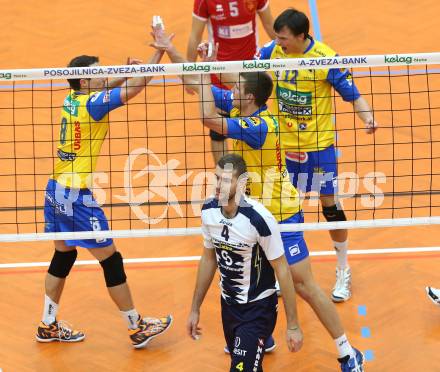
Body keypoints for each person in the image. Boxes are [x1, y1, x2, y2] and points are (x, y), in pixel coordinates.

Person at [151, 26, 365, 371]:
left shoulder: (259, 126)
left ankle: (346, 351)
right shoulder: (246, 110)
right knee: (258, 278)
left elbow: (206, 112)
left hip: (281, 214)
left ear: (248, 96)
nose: (231, 91)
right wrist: (174, 52)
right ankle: (263, 335)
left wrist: (206, 70)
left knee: (305, 286)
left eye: (235, 88)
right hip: (254, 213)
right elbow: (195, 85)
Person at [36, 40, 172, 348]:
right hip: (77, 195)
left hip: (55, 188)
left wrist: (125, 70)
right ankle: (136, 326)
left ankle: (47, 324)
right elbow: (133, 90)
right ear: (85, 81)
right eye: (99, 73)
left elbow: (109, 84)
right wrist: (157, 55)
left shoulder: (73, 98)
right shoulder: (93, 104)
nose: (105, 74)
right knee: (111, 261)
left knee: (63, 256)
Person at [255, 8, 379, 303]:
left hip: (318, 149)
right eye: (277, 36)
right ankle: (276, 272)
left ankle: (342, 269)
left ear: (301, 36)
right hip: (282, 148)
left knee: (330, 207)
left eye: (284, 38)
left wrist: (368, 117)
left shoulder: (325, 58)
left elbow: (353, 94)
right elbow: (248, 73)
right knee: (279, 208)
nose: (278, 42)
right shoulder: (272, 51)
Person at [188, 153, 303, 372]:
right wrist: (195, 308)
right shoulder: (208, 211)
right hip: (228, 307)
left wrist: (293, 325)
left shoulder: (259, 219)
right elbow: (208, 258)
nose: (218, 186)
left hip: (258, 308)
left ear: (241, 183)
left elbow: (283, 270)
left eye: (226, 180)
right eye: (217, 177)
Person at [187, 0, 276, 164]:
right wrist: (188, 70)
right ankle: (224, 181)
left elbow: (270, 25)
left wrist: (290, 59)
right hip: (219, 74)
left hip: (249, 76)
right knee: (218, 132)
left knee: (249, 129)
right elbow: (195, 35)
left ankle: (246, 175)